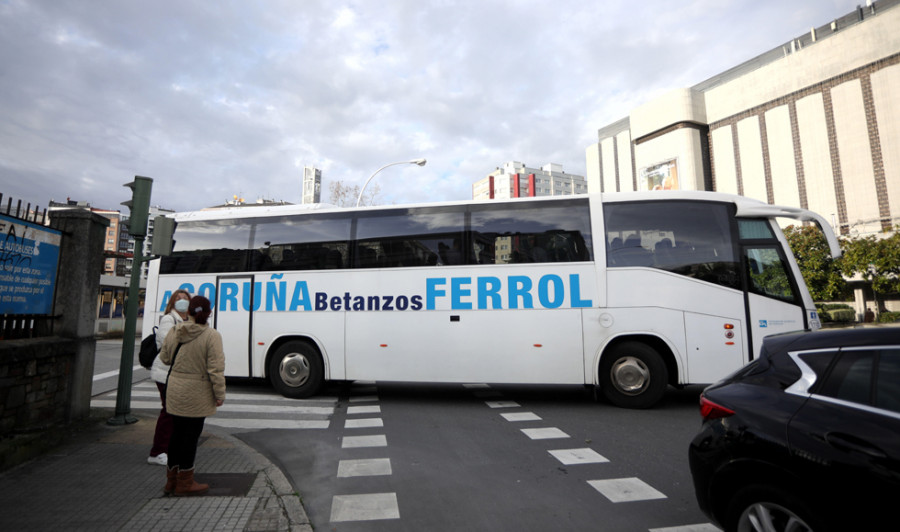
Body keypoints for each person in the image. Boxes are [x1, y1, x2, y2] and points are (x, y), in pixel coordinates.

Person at [159, 295, 226, 496]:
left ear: (188, 312)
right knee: (190, 437)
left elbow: (164, 358)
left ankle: (171, 481)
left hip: (176, 389)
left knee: (176, 435)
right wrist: (219, 393)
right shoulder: (212, 336)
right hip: (197, 393)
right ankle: (185, 482)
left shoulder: (176, 331)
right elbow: (215, 369)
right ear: (209, 314)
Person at [147, 289, 192, 466]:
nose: (182, 302)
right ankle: (157, 452)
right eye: (179, 299)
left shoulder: (189, 320)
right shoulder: (169, 319)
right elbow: (168, 344)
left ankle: (169, 447)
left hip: (178, 373)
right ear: (173, 303)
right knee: (169, 411)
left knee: (175, 412)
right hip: (165, 372)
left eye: (185, 299)